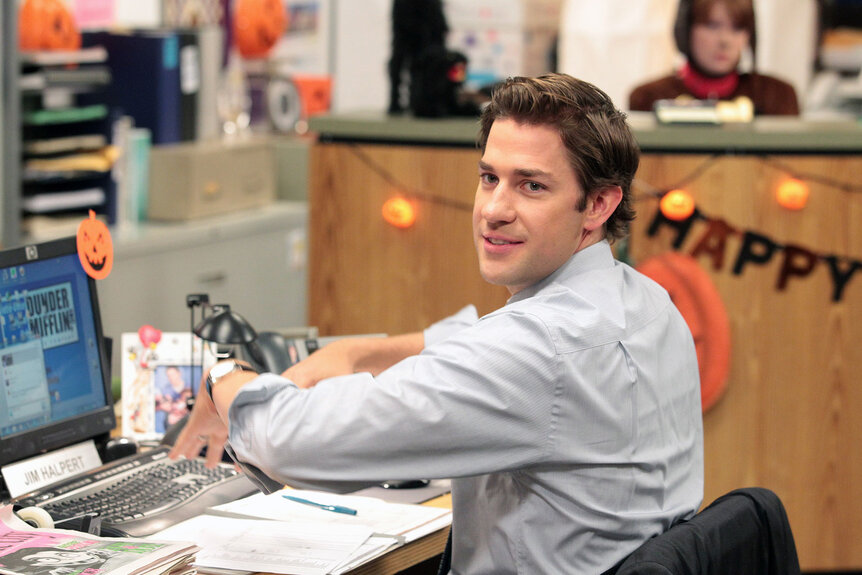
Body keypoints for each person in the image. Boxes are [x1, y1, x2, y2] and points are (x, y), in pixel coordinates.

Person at [170, 73, 704, 573]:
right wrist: (354, 354)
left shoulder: (535, 350)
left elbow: (293, 444)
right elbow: (485, 348)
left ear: (598, 205)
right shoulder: (650, 304)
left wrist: (225, 379)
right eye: (489, 177)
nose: (494, 209)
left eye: (531, 186)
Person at [629, 0, 799, 116]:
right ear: (686, 29)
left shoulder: (776, 97)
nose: (725, 41)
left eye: (737, 28)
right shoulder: (649, 99)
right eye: (712, 25)